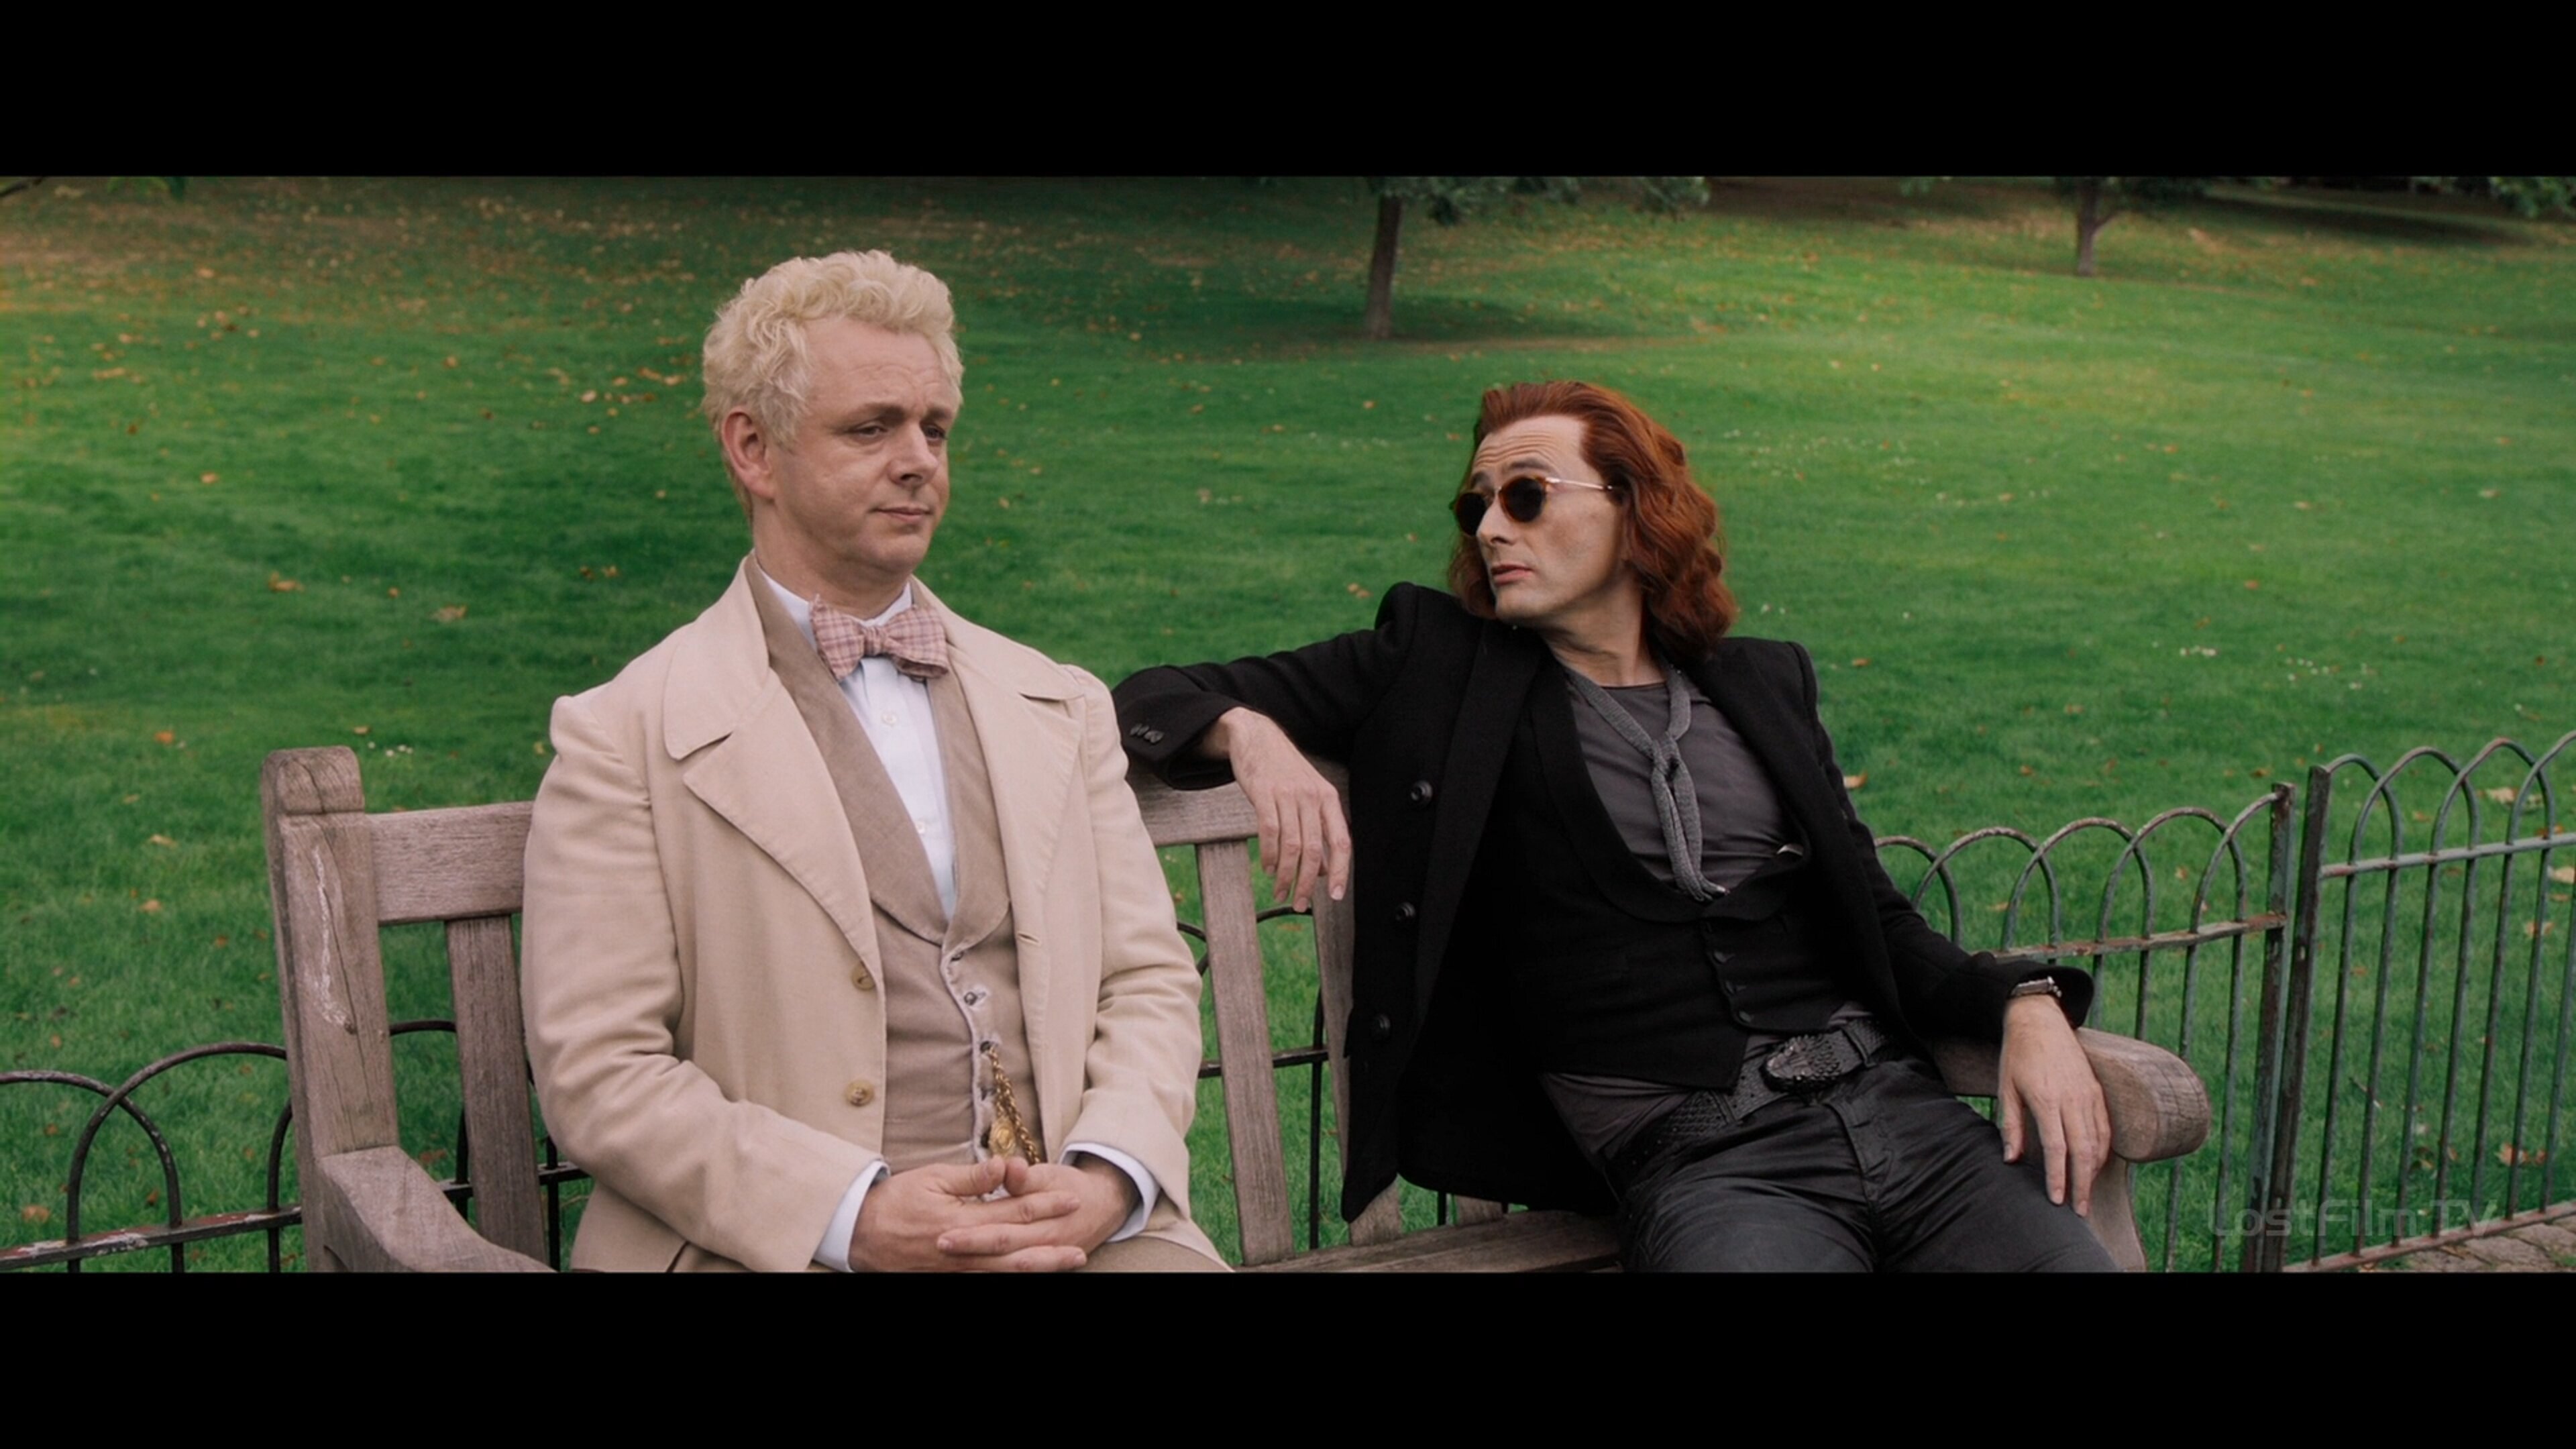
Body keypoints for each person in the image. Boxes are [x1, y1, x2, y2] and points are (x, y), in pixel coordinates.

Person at [1114, 380, 2116, 1271]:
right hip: (1709, 1162)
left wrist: (2024, 1001)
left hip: (1905, 1119)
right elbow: (1142, 695)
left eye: (1526, 496)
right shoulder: (1434, 665)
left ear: (1636, 508)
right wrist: (1247, 731)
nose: (1491, 528)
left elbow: (1882, 924)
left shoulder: (1762, 684)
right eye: (1476, 505)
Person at [521, 250, 1222, 1272]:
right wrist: (852, 1215)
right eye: (871, 428)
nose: (918, 460)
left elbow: (1148, 980)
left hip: (1071, 1234)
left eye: (935, 428)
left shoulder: (1058, 704)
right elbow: (602, 1073)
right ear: (753, 450)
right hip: (773, 1247)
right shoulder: (624, 735)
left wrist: (1109, 1178)